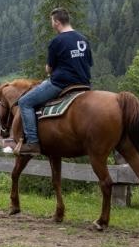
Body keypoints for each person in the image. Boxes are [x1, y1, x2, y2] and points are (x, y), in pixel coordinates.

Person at [17, 8, 92, 156]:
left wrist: (49, 68)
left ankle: (32, 142)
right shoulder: (83, 39)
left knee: (24, 102)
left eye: (52, 21)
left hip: (61, 84)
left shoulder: (57, 41)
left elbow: (49, 69)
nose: (52, 24)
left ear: (57, 22)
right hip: (83, 84)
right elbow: (88, 63)